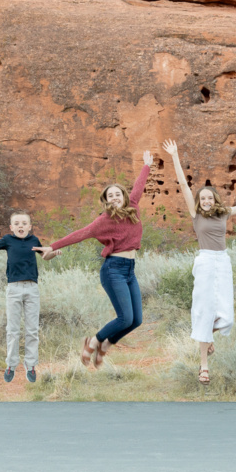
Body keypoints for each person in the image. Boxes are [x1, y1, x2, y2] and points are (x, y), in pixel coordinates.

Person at [161, 139, 236, 384]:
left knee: (226, 317)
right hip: (204, 262)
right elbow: (182, 184)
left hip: (223, 262)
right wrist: (174, 156)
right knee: (204, 313)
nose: (205, 201)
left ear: (214, 199)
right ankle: (204, 366)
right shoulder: (195, 214)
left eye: (209, 198)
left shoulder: (224, 213)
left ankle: (207, 337)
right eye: (202, 198)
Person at [33, 152, 154, 368]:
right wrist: (52, 246)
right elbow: (79, 233)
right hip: (113, 270)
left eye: (118, 194)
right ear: (106, 200)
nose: (115, 198)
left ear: (124, 196)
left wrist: (146, 166)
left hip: (129, 270)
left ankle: (107, 344)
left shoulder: (133, 206)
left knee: (136, 320)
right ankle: (93, 341)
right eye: (110, 196)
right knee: (125, 318)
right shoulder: (104, 220)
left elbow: (139, 186)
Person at [0, 211, 61, 383]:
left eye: (24, 223)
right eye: (16, 223)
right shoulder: (7, 241)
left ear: (29, 227)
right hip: (14, 289)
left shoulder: (34, 241)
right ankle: (11, 364)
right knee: (13, 330)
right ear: (11, 227)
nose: (20, 226)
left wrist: (54, 252)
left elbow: (45, 256)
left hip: (32, 289)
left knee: (32, 330)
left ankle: (30, 365)